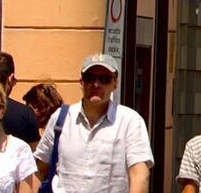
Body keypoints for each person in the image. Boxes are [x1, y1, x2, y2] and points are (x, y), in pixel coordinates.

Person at [35, 54, 155, 193]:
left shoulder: (130, 121)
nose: (96, 84)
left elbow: (139, 174)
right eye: (90, 78)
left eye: (104, 79)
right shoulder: (61, 118)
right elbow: (38, 170)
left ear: (115, 83)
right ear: (81, 81)